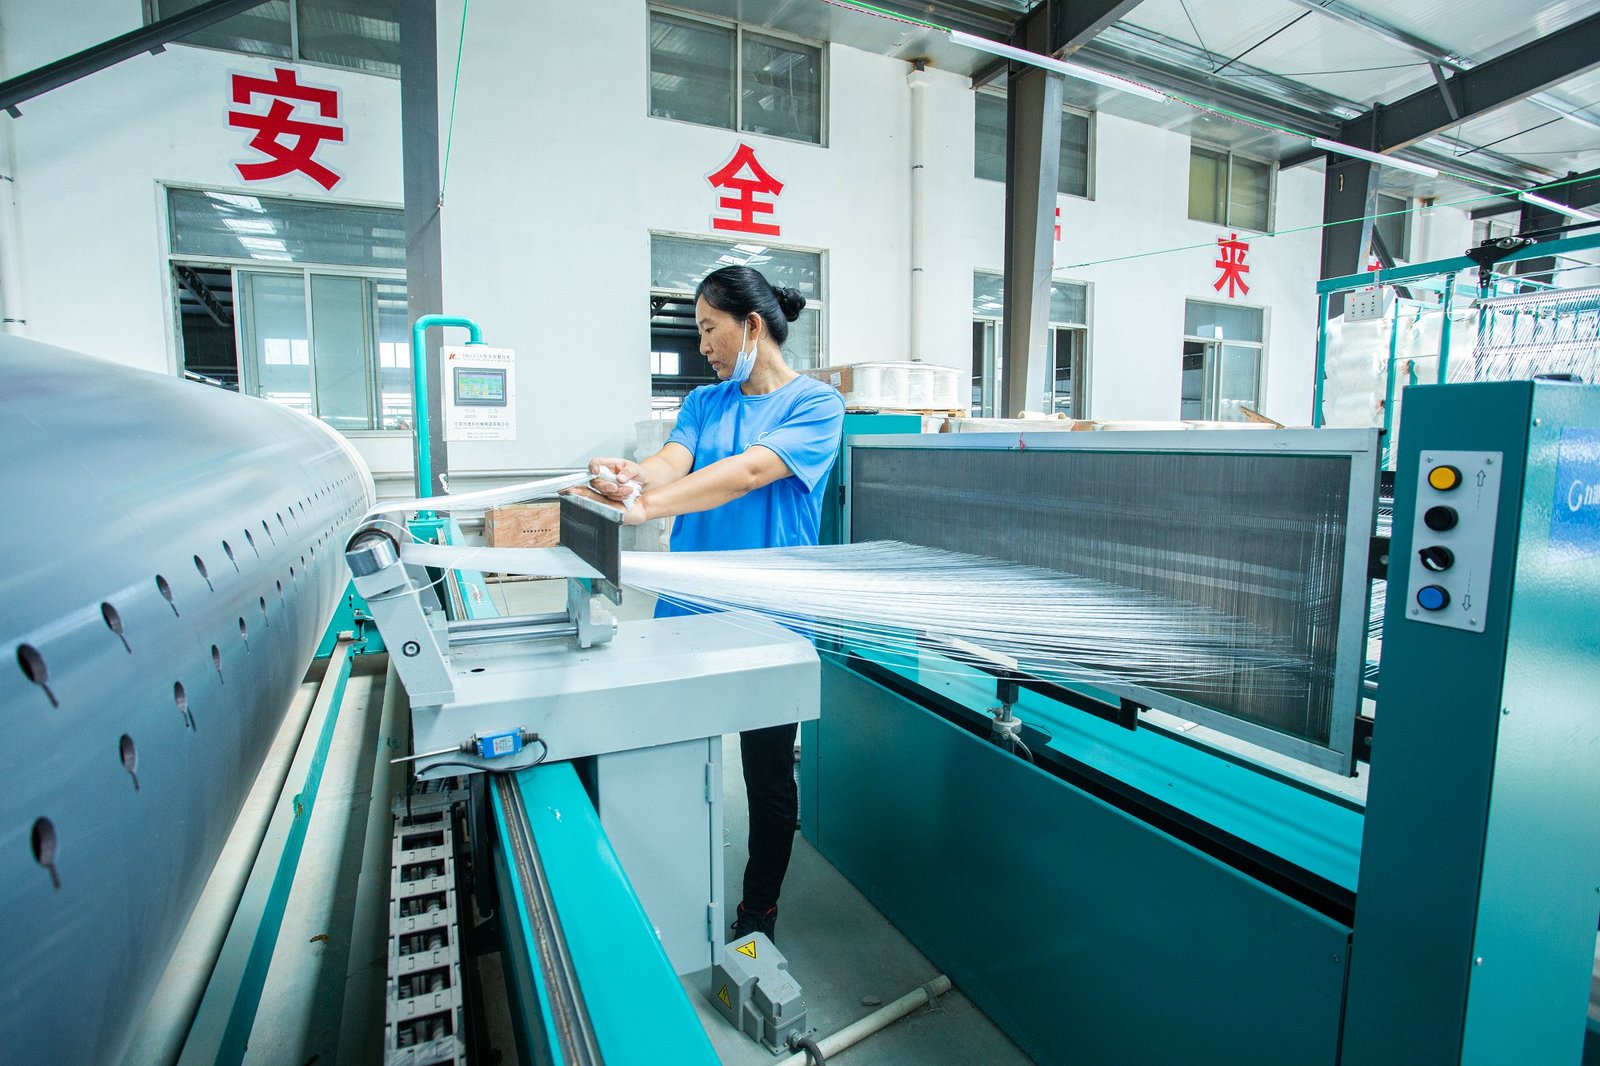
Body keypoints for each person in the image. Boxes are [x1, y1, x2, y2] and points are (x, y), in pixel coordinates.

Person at [584, 265, 845, 943]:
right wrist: (630, 475)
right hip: (690, 615)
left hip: (769, 623)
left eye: (708, 328)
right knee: (670, 751)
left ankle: (758, 906)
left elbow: (750, 472)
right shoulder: (705, 402)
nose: (702, 344)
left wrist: (642, 507)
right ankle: (661, 890)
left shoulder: (816, 406)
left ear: (750, 326)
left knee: (766, 776)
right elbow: (675, 461)